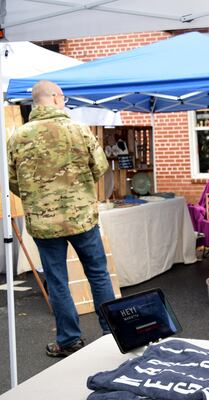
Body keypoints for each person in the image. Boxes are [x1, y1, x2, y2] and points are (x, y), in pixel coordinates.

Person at [8, 80, 116, 357]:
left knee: (57, 281)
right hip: (82, 218)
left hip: (44, 224)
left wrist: (37, 197)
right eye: (62, 96)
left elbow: (13, 181)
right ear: (55, 97)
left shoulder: (18, 137)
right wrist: (80, 190)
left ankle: (69, 340)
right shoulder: (79, 130)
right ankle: (111, 333)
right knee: (98, 275)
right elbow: (100, 166)